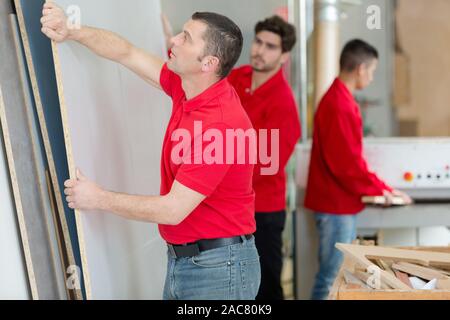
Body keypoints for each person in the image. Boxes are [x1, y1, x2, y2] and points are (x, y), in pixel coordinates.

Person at [41, 3, 260, 300]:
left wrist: (98, 198)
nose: (174, 41)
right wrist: (72, 31)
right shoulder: (190, 88)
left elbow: (172, 209)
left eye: (186, 38)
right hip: (189, 262)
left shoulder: (219, 127)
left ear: (208, 63)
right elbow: (126, 52)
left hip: (219, 271)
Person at [304, 39, 412, 300]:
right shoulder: (338, 105)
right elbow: (347, 165)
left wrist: (382, 188)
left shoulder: (340, 99)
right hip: (335, 207)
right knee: (332, 276)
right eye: (372, 71)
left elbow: (350, 161)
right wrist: (382, 190)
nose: (371, 77)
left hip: (338, 204)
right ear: (361, 68)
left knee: (337, 274)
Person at [227, 16, 301, 300]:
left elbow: (266, 165)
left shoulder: (282, 102)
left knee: (266, 286)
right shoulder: (237, 77)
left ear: (283, 56)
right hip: (233, 205)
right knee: (237, 284)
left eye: (270, 46)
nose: (260, 50)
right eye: (258, 41)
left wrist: (218, 170)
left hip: (264, 211)